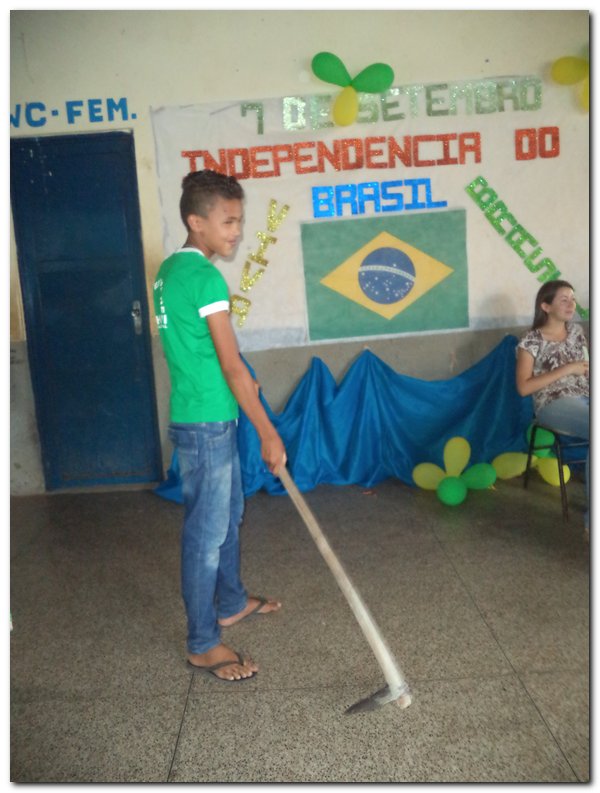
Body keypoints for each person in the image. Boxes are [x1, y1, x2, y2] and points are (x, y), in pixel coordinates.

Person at [153, 169, 287, 681]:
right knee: (205, 534)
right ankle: (202, 642)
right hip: (207, 419)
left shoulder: (170, 271)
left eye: (240, 221)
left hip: (203, 415)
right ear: (196, 221)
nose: (236, 231)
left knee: (227, 514)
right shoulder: (206, 278)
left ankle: (230, 601)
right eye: (228, 221)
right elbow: (233, 367)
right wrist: (268, 432)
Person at [516, 279, 590, 530]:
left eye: (573, 298)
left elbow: (587, 369)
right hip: (554, 403)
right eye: (564, 299)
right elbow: (524, 387)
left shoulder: (578, 332)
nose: (571, 304)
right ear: (545, 306)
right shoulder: (531, 340)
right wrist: (567, 369)